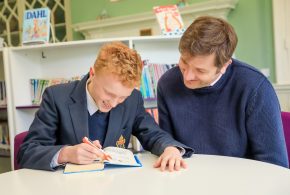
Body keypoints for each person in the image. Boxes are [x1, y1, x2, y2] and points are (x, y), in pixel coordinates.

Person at [18, 42, 193, 172]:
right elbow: (27, 152)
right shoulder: (56, 97)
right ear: (93, 73)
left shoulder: (133, 99)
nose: (114, 103)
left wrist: (170, 149)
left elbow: (153, 133)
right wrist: (66, 154)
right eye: (109, 93)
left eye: (122, 97)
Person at [157, 16, 289, 168]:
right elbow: (167, 142)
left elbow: (274, 165)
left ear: (225, 66)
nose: (187, 77)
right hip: (188, 177)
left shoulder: (255, 88)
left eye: (200, 70)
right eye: (184, 62)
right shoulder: (166, 84)